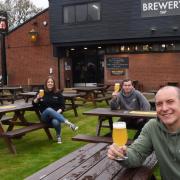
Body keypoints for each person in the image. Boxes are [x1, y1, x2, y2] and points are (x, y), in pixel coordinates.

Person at [107, 86, 180, 179]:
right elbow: (137, 154)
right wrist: (123, 154)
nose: (164, 108)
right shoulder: (153, 127)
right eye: (159, 104)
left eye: (170, 102)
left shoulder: (137, 94)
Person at [33, 76, 78, 144]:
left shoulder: (58, 93)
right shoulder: (41, 92)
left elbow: (62, 106)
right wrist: (37, 98)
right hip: (45, 116)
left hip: (56, 115)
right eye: (48, 82)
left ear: (54, 84)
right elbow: (34, 103)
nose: (50, 83)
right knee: (49, 109)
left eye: (51, 82)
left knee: (56, 122)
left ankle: (58, 136)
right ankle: (69, 123)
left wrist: (56, 113)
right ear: (46, 83)